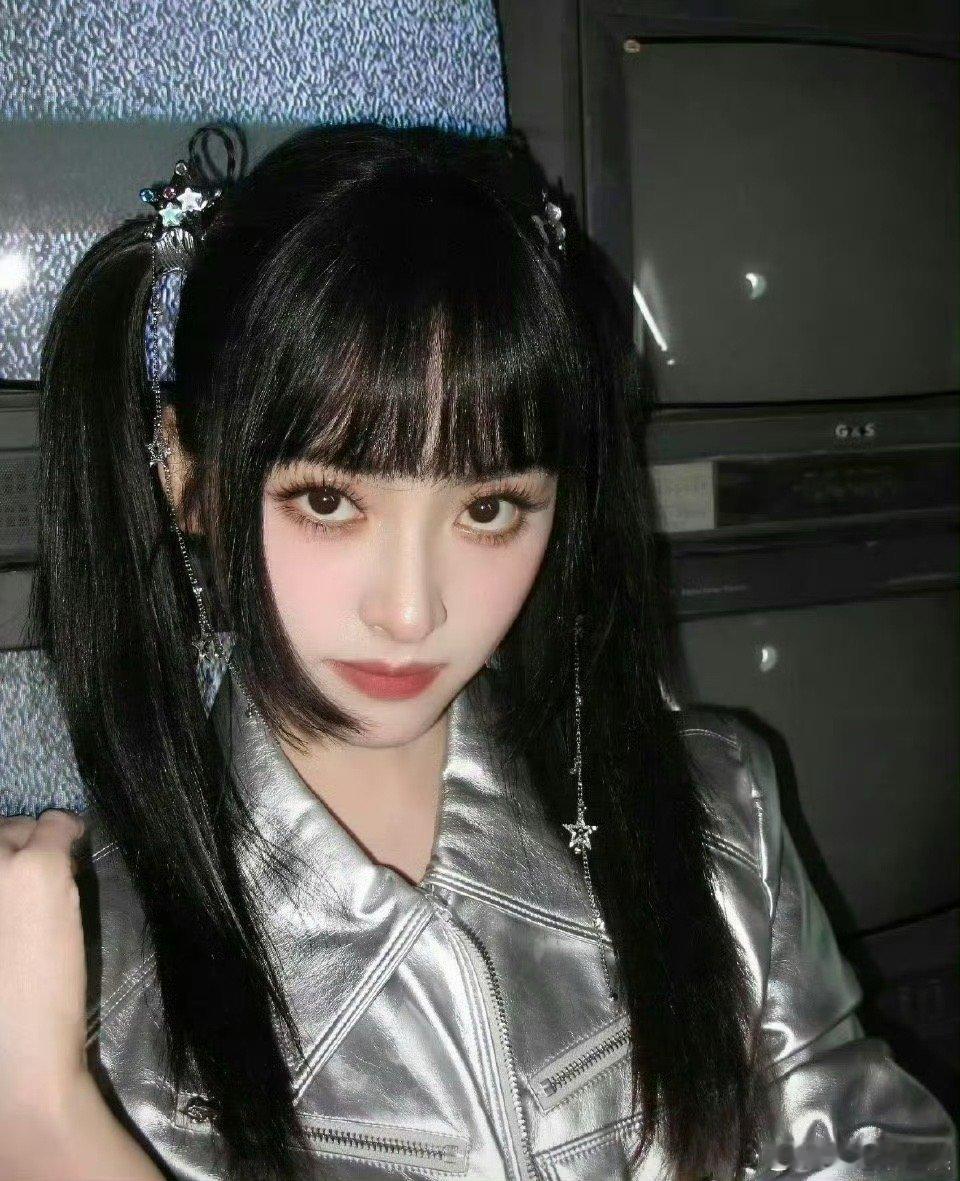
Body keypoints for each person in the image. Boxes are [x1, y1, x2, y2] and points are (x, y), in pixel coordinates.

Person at [0, 121, 955, 1181]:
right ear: (187, 477)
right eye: (329, 501)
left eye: (490, 508)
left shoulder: (714, 817)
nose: (413, 612)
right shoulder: (74, 979)